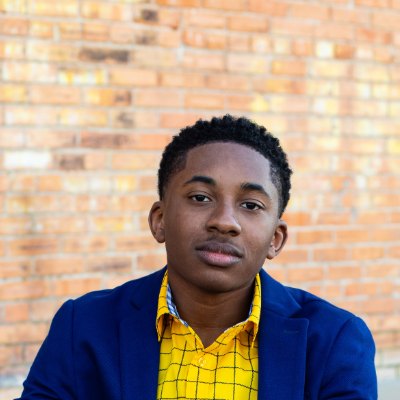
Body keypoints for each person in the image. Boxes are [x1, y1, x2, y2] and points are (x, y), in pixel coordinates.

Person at [17, 115, 377, 400]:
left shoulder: (335, 342)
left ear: (275, 239)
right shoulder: (83, 327)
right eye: (200, 198)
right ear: (160, 220)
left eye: (251, 205)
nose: (225, 221)